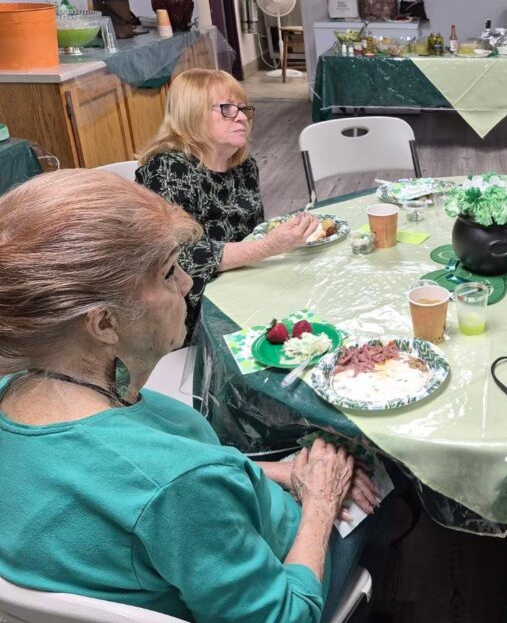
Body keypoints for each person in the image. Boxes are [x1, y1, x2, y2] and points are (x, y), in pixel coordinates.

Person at [0, 170, 387, 623]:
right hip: (283, 572)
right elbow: (284, 616)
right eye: (168, 272)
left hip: (203, 544)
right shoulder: (180, 483)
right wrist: (321, 501)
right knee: (378, 469)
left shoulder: (19, 394)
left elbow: (142, 488)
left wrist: (274, 471)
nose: (187, 283)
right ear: (104, 323)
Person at [136, 68, 316, 337]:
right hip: (189, 311)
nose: (242, 117)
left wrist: (275, 242)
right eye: (227, 109)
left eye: (243, 109)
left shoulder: (243, 166)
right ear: (192, 113)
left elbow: (252, 233)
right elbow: (182, 257)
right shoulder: (168, 170)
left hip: (242, 284)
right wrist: (270, 246)